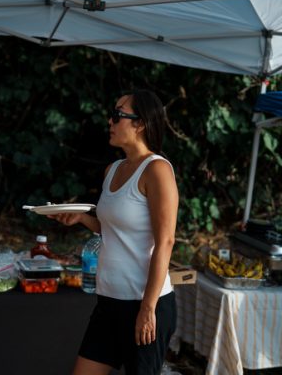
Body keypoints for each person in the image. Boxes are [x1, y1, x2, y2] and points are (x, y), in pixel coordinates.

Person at [50, 90, 179, 375]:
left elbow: (165, 241)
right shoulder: (113, 169)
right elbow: (113, 230)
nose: (110, 120)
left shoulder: (156, 169)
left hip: (144, 303)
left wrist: (148, 308)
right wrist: (82, 218)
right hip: (108, 301)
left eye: (118, 115)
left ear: (140, 123)